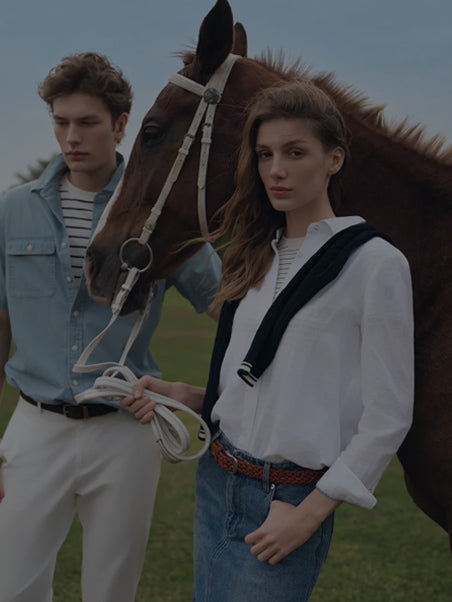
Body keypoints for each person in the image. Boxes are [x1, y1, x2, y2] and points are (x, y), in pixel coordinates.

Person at [122, 82, 414, 601]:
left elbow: (389, 415)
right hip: (217, 479)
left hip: (288, 502)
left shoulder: (374, 264)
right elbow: (268, 383)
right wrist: (188, 396)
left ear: (334, 159)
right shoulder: (254, 255)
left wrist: (310, 514)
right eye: (265, 154)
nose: (276, 169)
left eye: (295, 153)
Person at [0, 52, 221, 602]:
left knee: (111, 592)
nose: (72, 137)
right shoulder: (12, 211)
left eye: (87, 122)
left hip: (127, 430)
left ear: (121, 125)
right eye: (61, 122)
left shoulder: (158, 214)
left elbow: (230, 307)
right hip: (35, 427)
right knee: (13, 588)